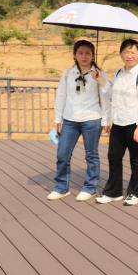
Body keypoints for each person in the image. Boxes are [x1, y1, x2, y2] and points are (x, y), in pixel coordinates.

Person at [48, 39, 110, 201]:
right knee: (63, 154)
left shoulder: (98, 73)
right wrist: (58, 118)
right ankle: (61, 187)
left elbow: (107, 96)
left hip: (92, 119)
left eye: (88, 53)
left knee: (91, 155)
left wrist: (105, 120)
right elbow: (61, 96)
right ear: (74, 55)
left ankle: (90, 187)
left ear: (93, 55)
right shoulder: (68, 73)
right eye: (80, 53)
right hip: (70, 120)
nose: (84, 56)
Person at [97, 38, 138, 207]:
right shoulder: (119, 73)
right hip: (119, 121)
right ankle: (113, 192)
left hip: (135, 123)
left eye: (133, 52)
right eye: (126, 52)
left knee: (136, 158)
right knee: (113, 156)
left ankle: (136, 193)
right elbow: (111, 94)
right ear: (121, 54)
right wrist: (101, 80)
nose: (129, 55)